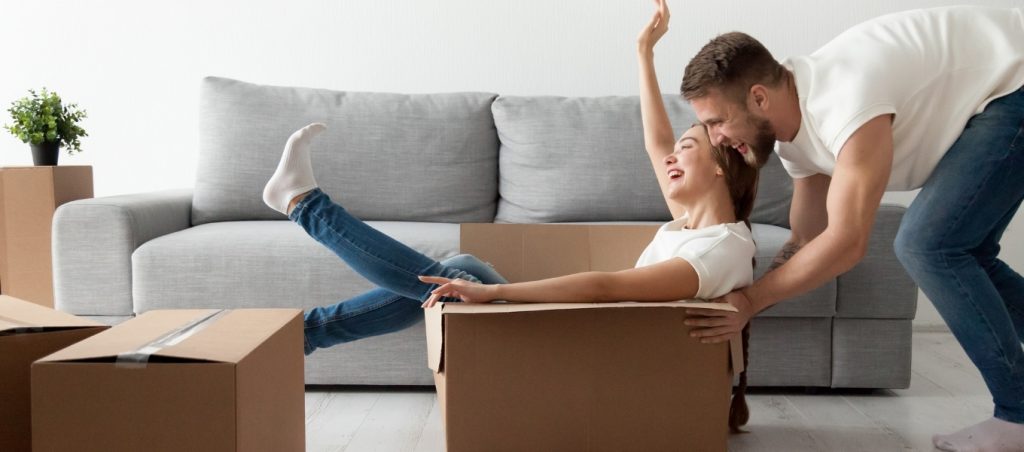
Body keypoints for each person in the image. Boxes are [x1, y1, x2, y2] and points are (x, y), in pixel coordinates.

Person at [260, 5, 760, 430]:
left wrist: (496, 294)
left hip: (593, 370)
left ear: (720, 168)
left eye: (688, 147)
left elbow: (607, 288)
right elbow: (654, 140)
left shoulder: (718, 250)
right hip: (591, 349)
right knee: (463, 269)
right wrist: (644, 55)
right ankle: (305, 325)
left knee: (464, 277)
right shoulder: (694, 225)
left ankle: (305, 208)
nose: (670, 156)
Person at [672, 1, 1024, 450]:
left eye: (716, 121)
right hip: (999, 91)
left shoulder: (844, 98)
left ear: (759, 97)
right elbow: (807, 239)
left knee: (927, 246)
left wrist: (751, 300)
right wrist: (737, 294)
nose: (716, 138)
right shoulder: (793, 142)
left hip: (1015, 79)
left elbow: (847, 242)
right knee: (963, 255)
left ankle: (1018, 416)